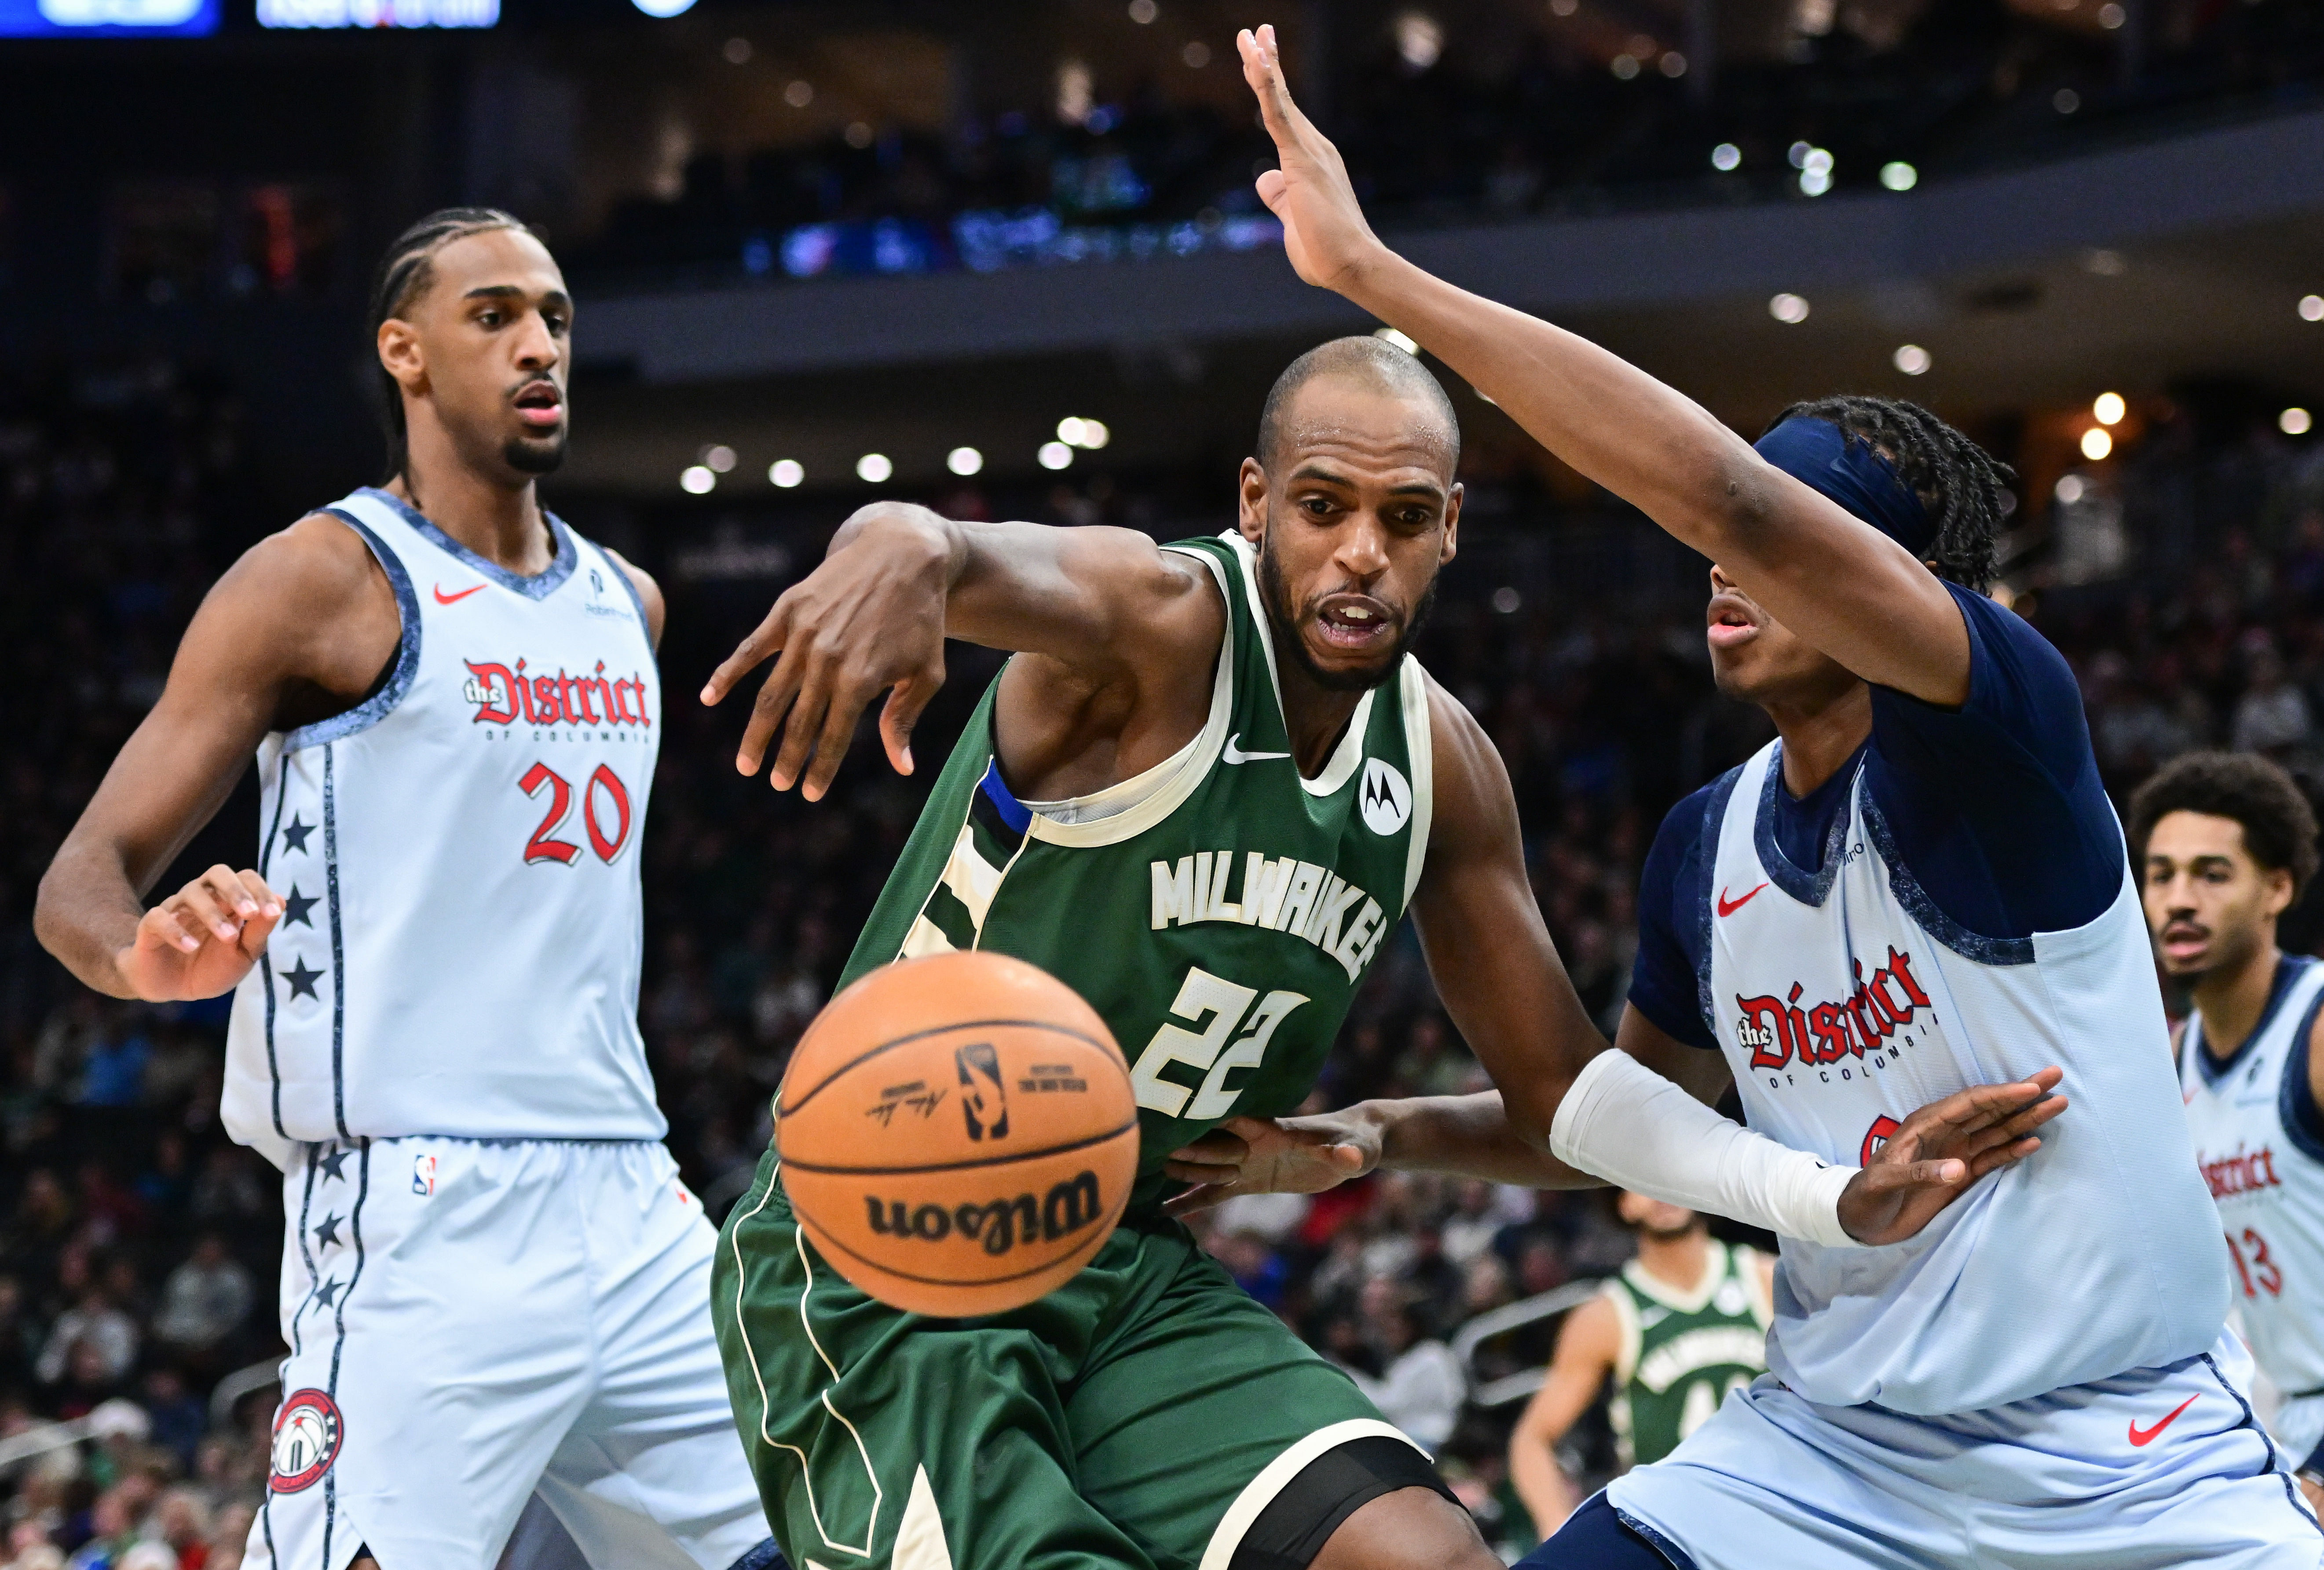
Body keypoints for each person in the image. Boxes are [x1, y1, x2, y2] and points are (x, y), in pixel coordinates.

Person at [1216, 22, 2322, 1567]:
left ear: (1896, 586)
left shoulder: (1996, 735)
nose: (1724, 562)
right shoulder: (1704, 843)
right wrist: (1374, 1132)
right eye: (1733, 542)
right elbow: (1610, 1122)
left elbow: (1720, 493)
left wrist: (1377, 281)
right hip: (1825, 1460)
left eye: (1789, 535)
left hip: (2125, 1464)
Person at [700, 340, 2061, 1564]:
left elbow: (1569, 1104)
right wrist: (894, 539)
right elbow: (967, 554)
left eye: (1403, 518)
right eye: (1323, 507)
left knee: (1429, 1556)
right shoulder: (1157, 623)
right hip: (892, 1251)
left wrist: (1820, 1193)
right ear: (1254, 504)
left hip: (1121, 1267)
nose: (1362, 551)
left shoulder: (1447, 766)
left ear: (1450, 530)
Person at [34, 208, 776, 1570]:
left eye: (553, 314)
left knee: (827, 1537)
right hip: (421, 1200)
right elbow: (81, 875)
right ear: (406, 352)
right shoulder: (323, 578)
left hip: (635, 1192)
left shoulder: (634, 605)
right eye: (493, 315)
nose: (539, 342)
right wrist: (140, 956)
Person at [2132, 750, 2324, 1513]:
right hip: (2283, 1420)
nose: (2180, 899)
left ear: (2278, 887)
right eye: (2162, 874)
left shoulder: (2313, 1032)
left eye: (2213, 875)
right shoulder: (2168, 1064)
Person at [1507, 1197, 1772, 1538]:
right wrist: (1556, 1529)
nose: (1661, 1194)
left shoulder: (1764, 1277)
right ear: (1621, 1204)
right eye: (1642, 1183)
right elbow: (1532, 1439)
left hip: (1767, 1508)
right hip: (1674, 1529)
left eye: (1669, 1175)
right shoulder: (1606, 1315)